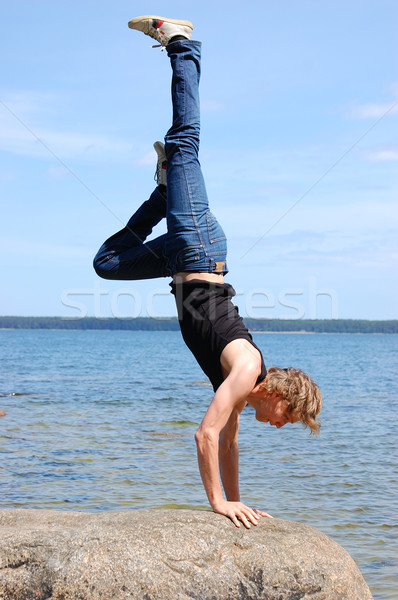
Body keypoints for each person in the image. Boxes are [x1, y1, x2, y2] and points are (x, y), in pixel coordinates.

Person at [93, 16, 322, 529]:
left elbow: (227, 442)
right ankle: (181, 45)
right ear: (279, 397)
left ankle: (162, 189)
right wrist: (218, 504)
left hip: (182, 261)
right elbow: (204, 435)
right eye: (292, 418)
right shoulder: (244, 370)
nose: (283, 426)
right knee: (185, 141)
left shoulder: (242, 388)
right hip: (197, 247)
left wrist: (236, 503)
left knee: (106, 264)